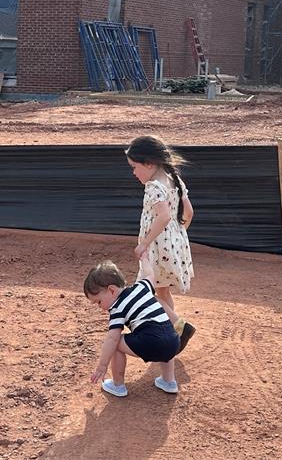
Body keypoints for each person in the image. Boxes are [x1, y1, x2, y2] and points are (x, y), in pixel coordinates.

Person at [125, 135, 196, 353]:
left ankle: (179, 326)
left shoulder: (154, 186)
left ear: (150, 163)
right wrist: (177, 237)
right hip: (171, 245)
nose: (134, 173)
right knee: (163, 292)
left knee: (145, 292)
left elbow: (163, 216)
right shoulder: (174, 179)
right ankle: (172, 334)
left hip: (157, 248)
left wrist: (144, 244)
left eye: (135, 167)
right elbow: (189, 213)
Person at [84, 261, 180, 396]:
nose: (99, 306)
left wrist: (102, 366)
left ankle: (118, 385)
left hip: (150, 342)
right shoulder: (141, 287)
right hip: (174, 341)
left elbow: (112, 337)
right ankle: (169, 381)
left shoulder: (117, 308)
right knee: (164, 337)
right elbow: (151, 274)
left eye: (98, 301)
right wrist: (145, 258)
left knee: (116, 343)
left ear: (112, 290)